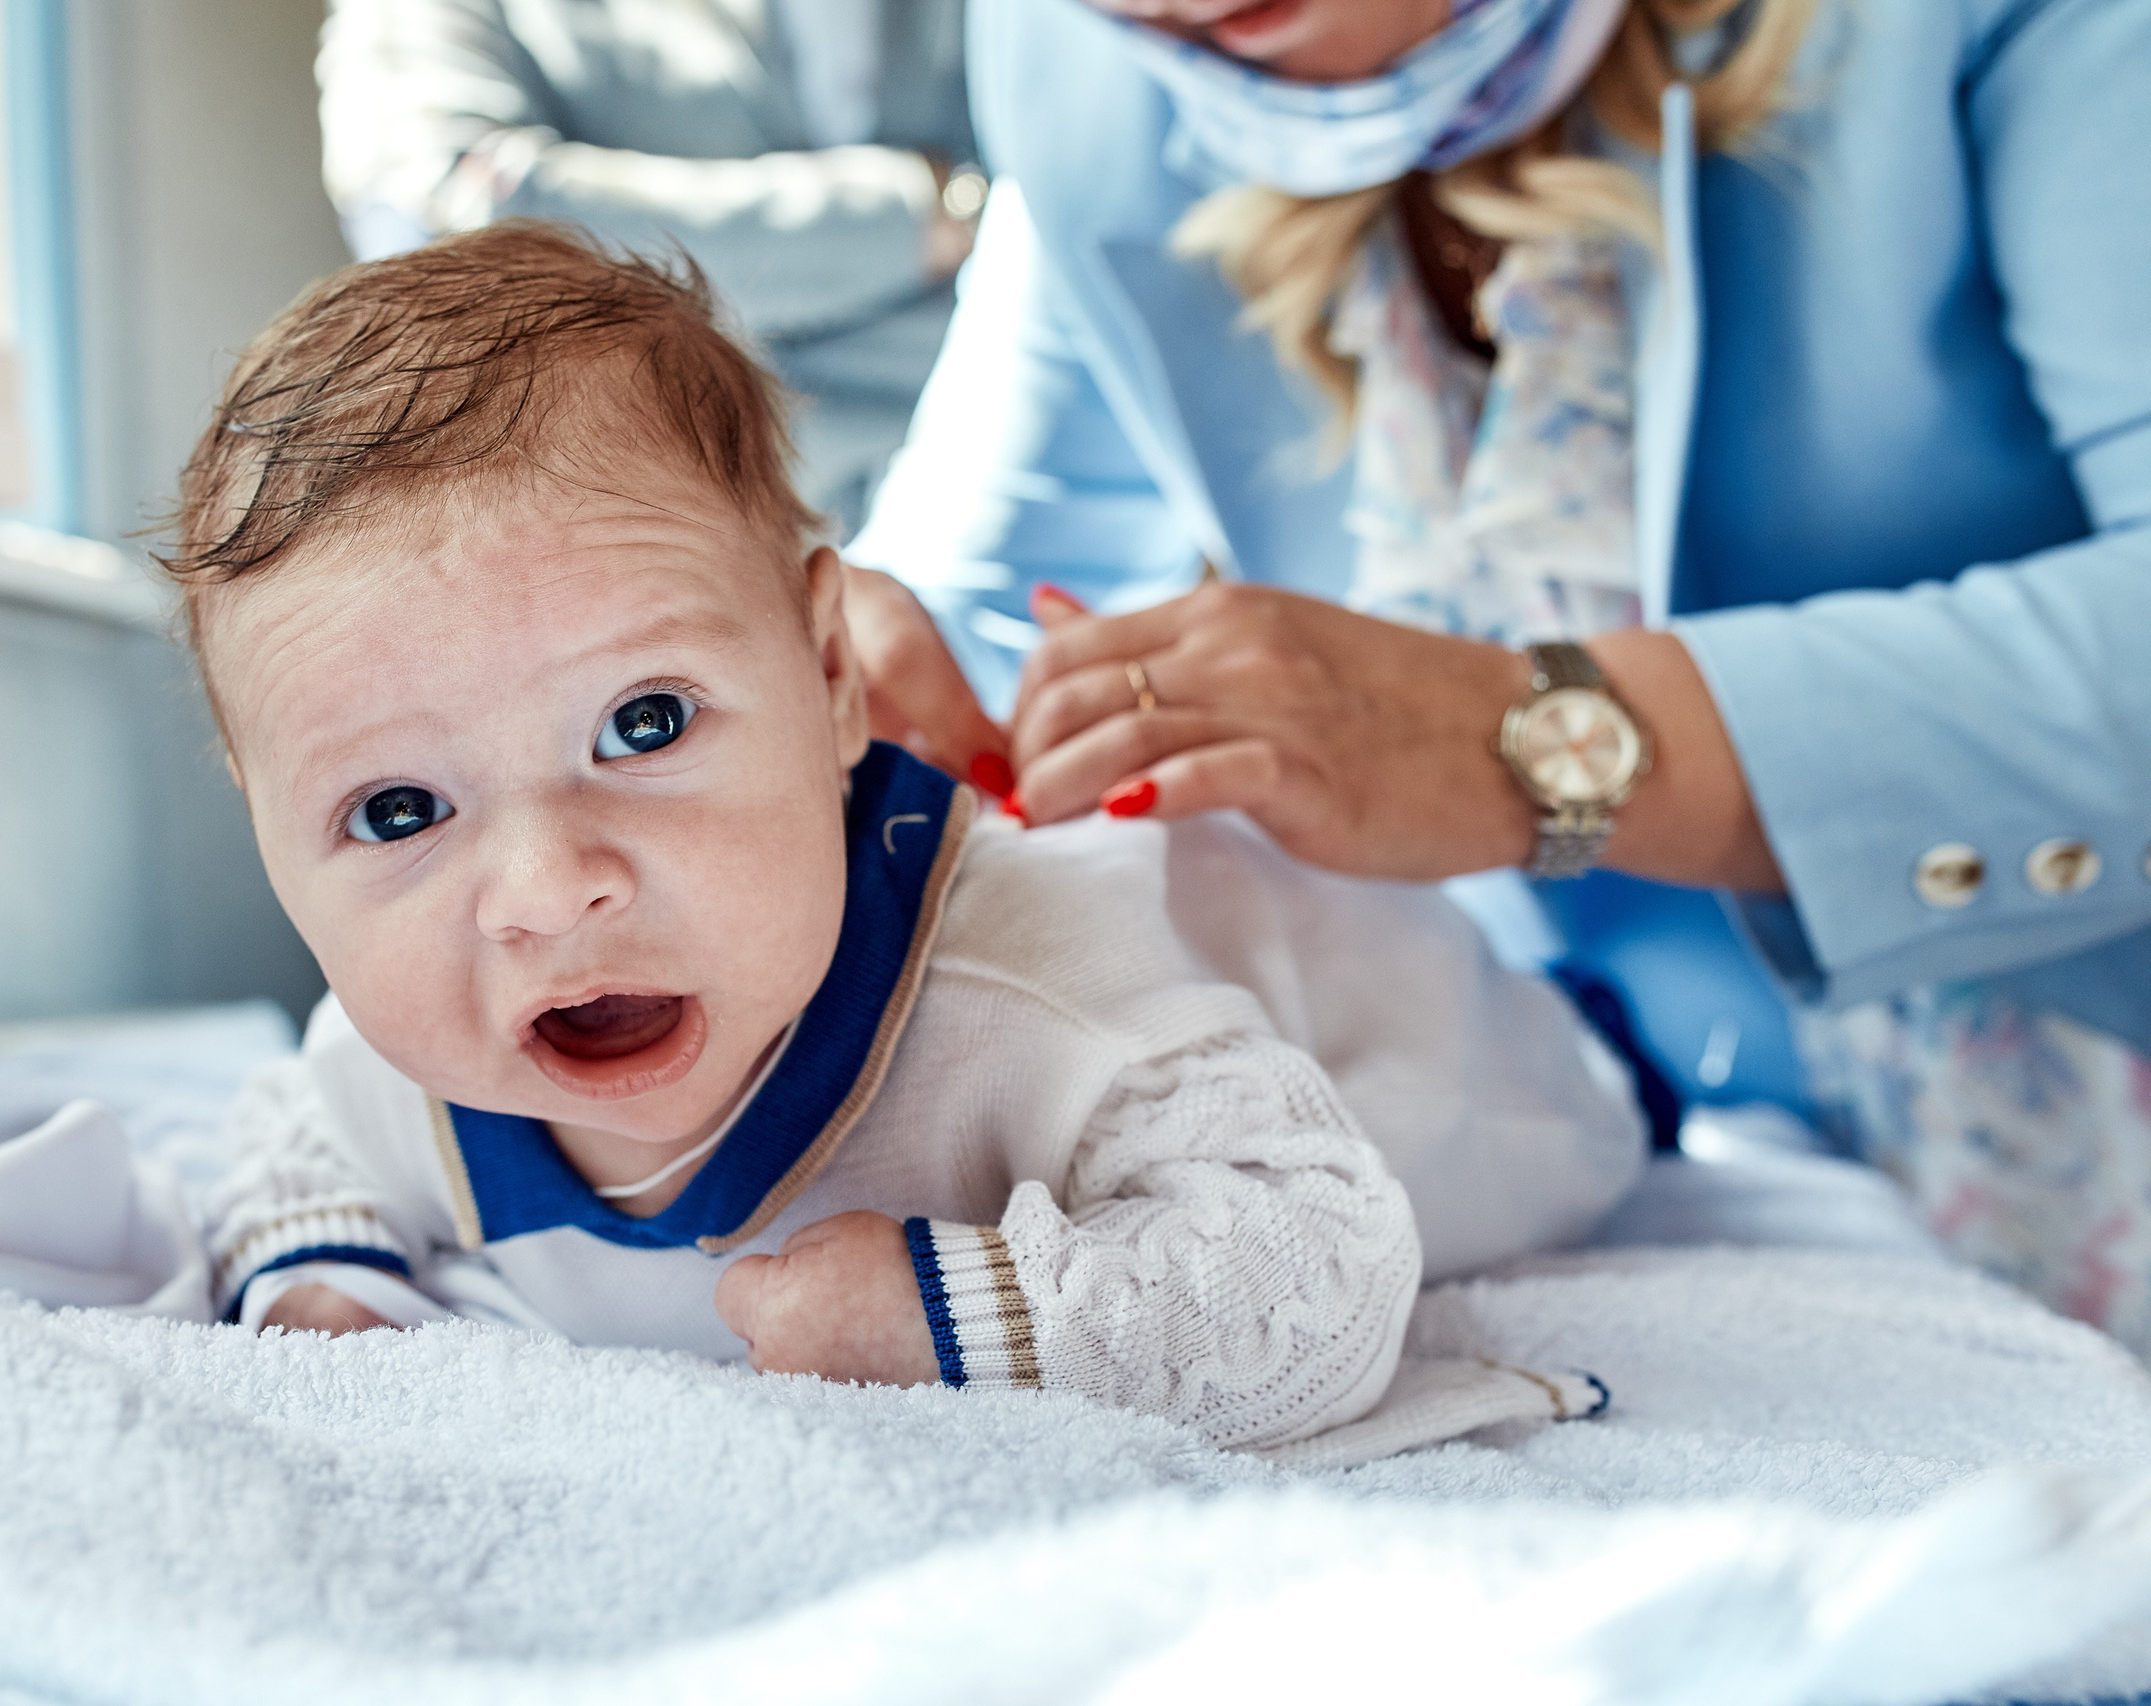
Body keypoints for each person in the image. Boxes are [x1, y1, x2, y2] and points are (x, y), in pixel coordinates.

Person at [160, 226, 1647, 1451]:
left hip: (1460, 1055)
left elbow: (1320, 1265)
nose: (551, 891)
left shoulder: (1039, 986)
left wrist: (949, 1316)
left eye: (645, 724)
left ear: (828, 676)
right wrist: (317, 1280)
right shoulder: (413, 1043)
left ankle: (1611, 1040)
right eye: (400, 811)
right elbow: (291, 1130)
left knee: (1560, 1114)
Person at [842, 0, 2151, 1350]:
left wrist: (1533, 743)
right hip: (1593, 1150)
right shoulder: (1084, 66)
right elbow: (982, 610)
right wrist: (827, 666)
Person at [317, 0, 985, 534]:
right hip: (784, 541)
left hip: (1027, 435)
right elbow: (480, 243)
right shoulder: (404, 22)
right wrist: (915, 218)